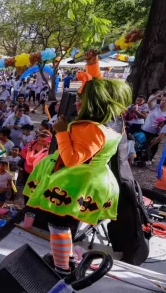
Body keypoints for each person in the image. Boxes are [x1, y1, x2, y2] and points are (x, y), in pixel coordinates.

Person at [23, 66, 128, 276]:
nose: (77, 102)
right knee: (69, 221)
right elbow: (98, 86)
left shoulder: (90, 129)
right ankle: (66, 256)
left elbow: (71, 159)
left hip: (76, 182)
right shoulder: (114, 122)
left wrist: (61, 133)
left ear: (94, 104)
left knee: (58, 223)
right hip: (94, 179)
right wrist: (93, 66)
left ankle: (61, 268)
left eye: (82, 99)